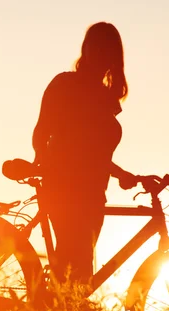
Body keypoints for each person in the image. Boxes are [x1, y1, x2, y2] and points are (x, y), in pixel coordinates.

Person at [31, 22, 139, 287]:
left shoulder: (106, 98)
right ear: (86, 49)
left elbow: (95, 152)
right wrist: (46, 166)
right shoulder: (65, 84)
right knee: (75, 272)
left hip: (92, 196)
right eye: (96, 47)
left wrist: (120, 173)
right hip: (66, 192)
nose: (102, 54)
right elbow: (44, 133)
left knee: (76, 276)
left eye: (108, 50)